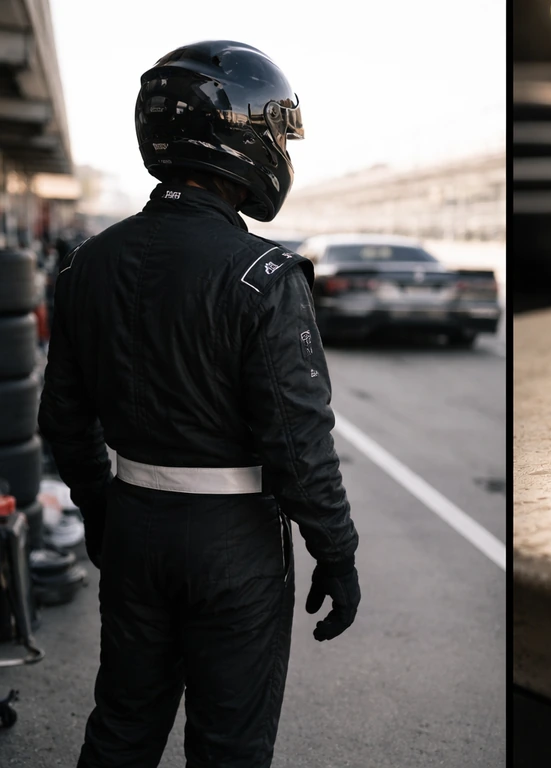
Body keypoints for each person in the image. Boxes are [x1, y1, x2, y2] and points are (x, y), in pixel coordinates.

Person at [37, 40, 361, 768]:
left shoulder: (88, 262)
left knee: (121, 726)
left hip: (135, 525)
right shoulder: (264, 274)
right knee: (229, 749)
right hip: (232, 541)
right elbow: (299, 446)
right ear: (240, 138)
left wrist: (104, 514)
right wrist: (336, 555)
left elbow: (62, 418)